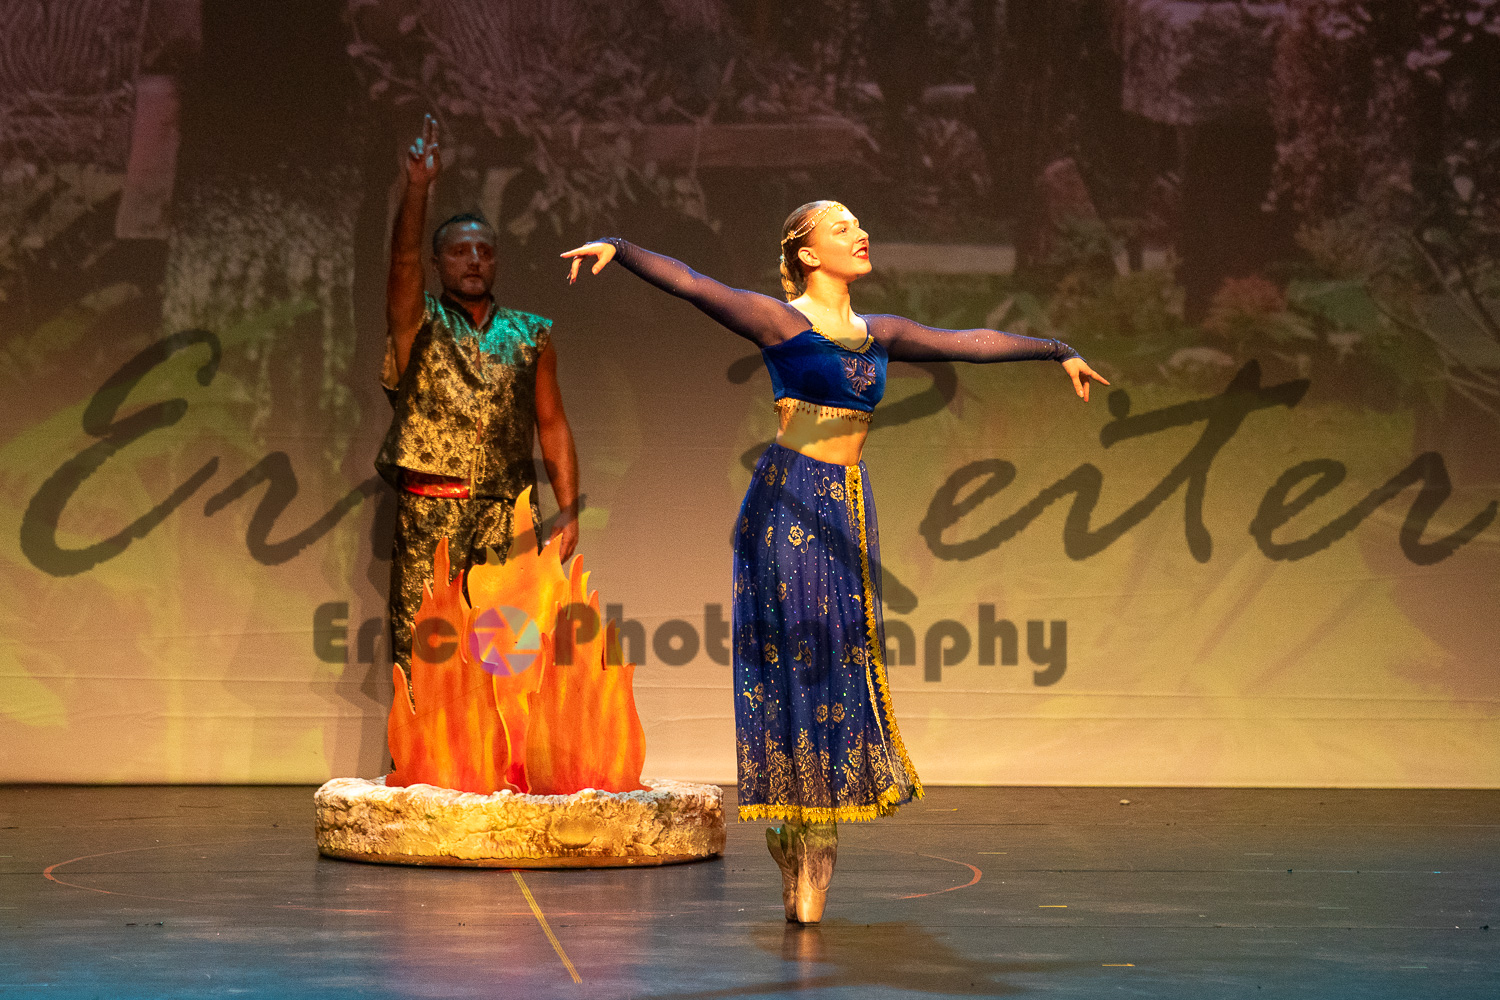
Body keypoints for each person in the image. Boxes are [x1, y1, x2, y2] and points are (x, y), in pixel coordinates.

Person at [562, 201, 1107, 924]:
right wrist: (621, 247)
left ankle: (811, 830)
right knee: (798, 664)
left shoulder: (882, 333)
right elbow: (694, 284)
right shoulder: (781, 322)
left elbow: (970, 343)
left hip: (848, 507)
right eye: (841, 227)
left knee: (838, 665)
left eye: (859, 224)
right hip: (788, 505)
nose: (860, 233)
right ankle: (800, 826)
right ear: (808, 254)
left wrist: (1056, 348)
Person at [378, 115, 580, 677]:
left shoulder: (531, 334)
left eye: (484, 251)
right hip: (430, 510)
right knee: (428, 654)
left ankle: (505, 739)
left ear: (496, 261)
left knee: (508, 656)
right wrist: (418, 189)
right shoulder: (419, 323)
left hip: (506, 515)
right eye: (460, 251)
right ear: (439, 262)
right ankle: (422, 739)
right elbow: (402, 262)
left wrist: (567, 509)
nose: (473, 259)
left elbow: (552, 424)